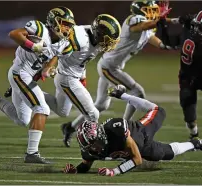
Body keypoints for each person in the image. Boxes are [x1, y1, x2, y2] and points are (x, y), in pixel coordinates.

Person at [0, 6, 75, 164]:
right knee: (42, 108)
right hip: (20, 73)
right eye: (64, 23)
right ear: (54, 21)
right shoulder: (39, 28)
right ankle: (32, 154)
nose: (67, 28)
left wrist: (48, 67)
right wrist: (33, 46)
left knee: (22, 120)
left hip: (29, 78)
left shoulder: (64, 42)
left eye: (69, 25)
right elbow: (14, 34)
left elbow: (56, 54)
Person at [61, 0, 178, 147]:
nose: (153, 12)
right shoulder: (134, 20)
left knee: (101, 105)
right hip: (109, 67)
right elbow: (143, 26)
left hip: (110, 65)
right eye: (150, 9)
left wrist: (171, 33)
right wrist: (159, 20)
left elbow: (151, 35)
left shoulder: (148, 26)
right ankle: (124, 130)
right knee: (137, 92)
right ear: (140, 10)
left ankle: (70, 127)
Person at [3, 14, 122, 137]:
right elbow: (59, 49)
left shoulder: (95, 39)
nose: (110, 44)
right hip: (67, 78)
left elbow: (81, 59)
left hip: (73, 76)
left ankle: (20, 91)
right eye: (108, 40)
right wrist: (48, 67)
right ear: (99, 34)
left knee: (62, 111)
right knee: (93, 114)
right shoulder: (79, 36)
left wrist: (83, 76)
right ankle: (91, 143)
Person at [63, 85, 202, 176]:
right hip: (142, 148)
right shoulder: (89, 149)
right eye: (90, 146)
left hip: (141, 132)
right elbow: (86, 165)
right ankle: (195, 144)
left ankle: (122, 95)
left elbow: (137, 159)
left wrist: (114, 171)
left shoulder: (114, 130)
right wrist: (75, 170)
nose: (94, 149)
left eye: (94, 144)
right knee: (165, 154)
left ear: (100, 135)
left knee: (159, 111)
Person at [177, 10, 202, 139]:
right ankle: (194, 136)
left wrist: (187, 20)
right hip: (190, 76)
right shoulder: (194, 40)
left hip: (188, 76)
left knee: (187, 102)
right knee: (189, 112)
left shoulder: (187, 33)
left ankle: (194, 135)